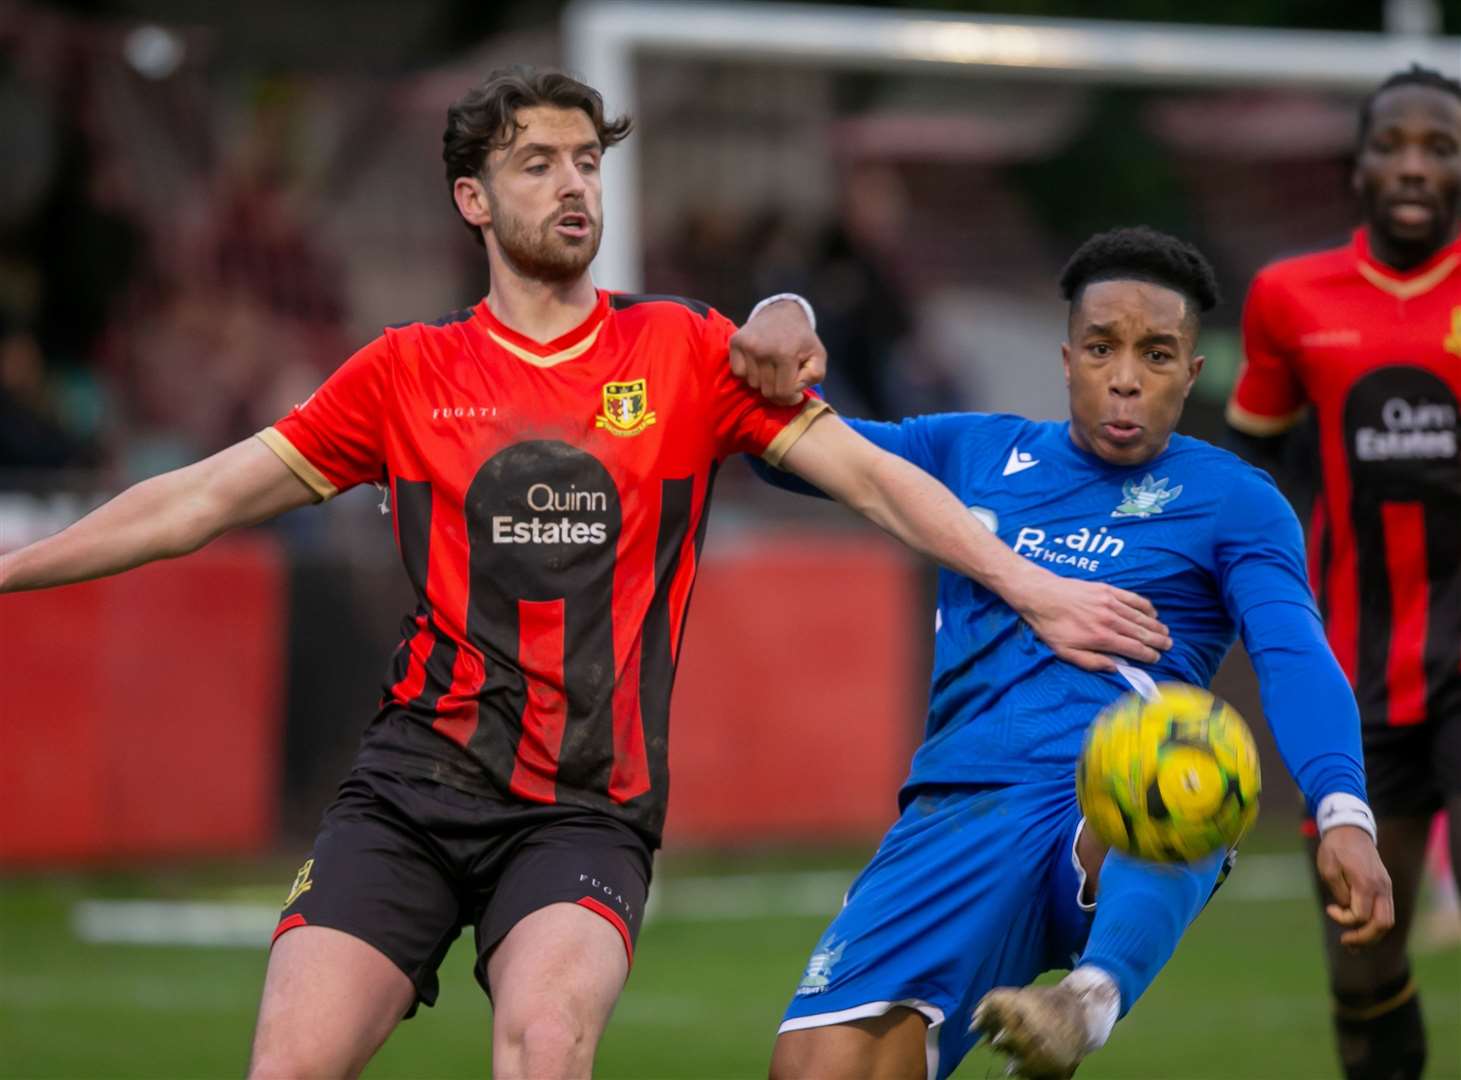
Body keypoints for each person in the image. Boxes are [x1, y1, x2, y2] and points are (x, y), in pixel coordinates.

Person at [0, 69, 1171, 1079]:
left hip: (585, 809)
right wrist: (13, 568)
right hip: (409, 790)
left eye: (585, 163)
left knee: (543, 1046)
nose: (573, 186)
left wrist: (1032, 582)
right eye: (536, 165)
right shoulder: (404, 372)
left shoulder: (684, 351)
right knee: (288, 1061)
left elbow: (874, 478)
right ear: (473, 198)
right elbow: (195, 499)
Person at [745, 227, 1393, 1080]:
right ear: (1065, 358)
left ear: (1191, 374)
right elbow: (781, 446)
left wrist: (1343, 810)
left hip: (1104, 808)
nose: (1124, 377)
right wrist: (779, 310)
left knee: (1186, 756)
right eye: (1101, 348)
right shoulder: (966, 452)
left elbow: (1292, 651)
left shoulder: (1235, 501)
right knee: (818, 1071)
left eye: (1156, 354)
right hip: (959, 809)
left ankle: (1084, 1003)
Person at [1224, 65, 1460, 1080]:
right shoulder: (1289, 297)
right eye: (1391, 144)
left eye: (1440, 146)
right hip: (1355, 673)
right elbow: (1248, 475)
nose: (1413, 163)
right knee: (1362, 956)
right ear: (1355, 169)